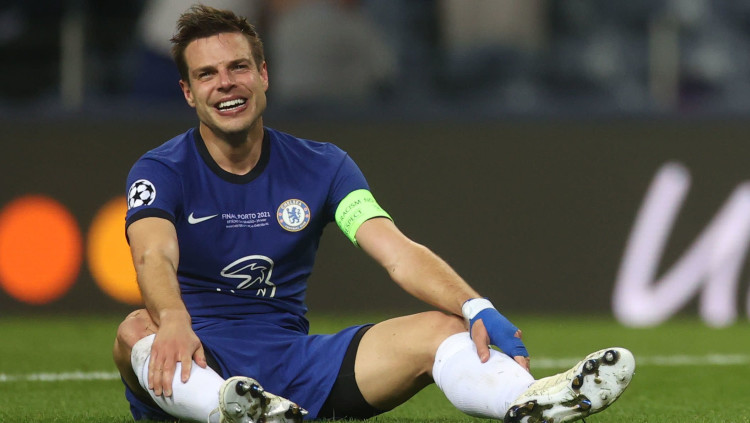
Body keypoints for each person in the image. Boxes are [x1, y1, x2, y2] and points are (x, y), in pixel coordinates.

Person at [112, 5, 635, 423]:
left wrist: (476, 306)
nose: (226, 83)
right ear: (188, 93)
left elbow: (397, 253)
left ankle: (530, 401)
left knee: (442, 327)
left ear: (264, 75)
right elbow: (153, 254)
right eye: (207, 75)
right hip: (193, 357)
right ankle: (228, 411)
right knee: (136, 328)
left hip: (295, 364)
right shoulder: (161, 170)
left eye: (238, 67)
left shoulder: (323, 166)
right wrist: (174, 321)